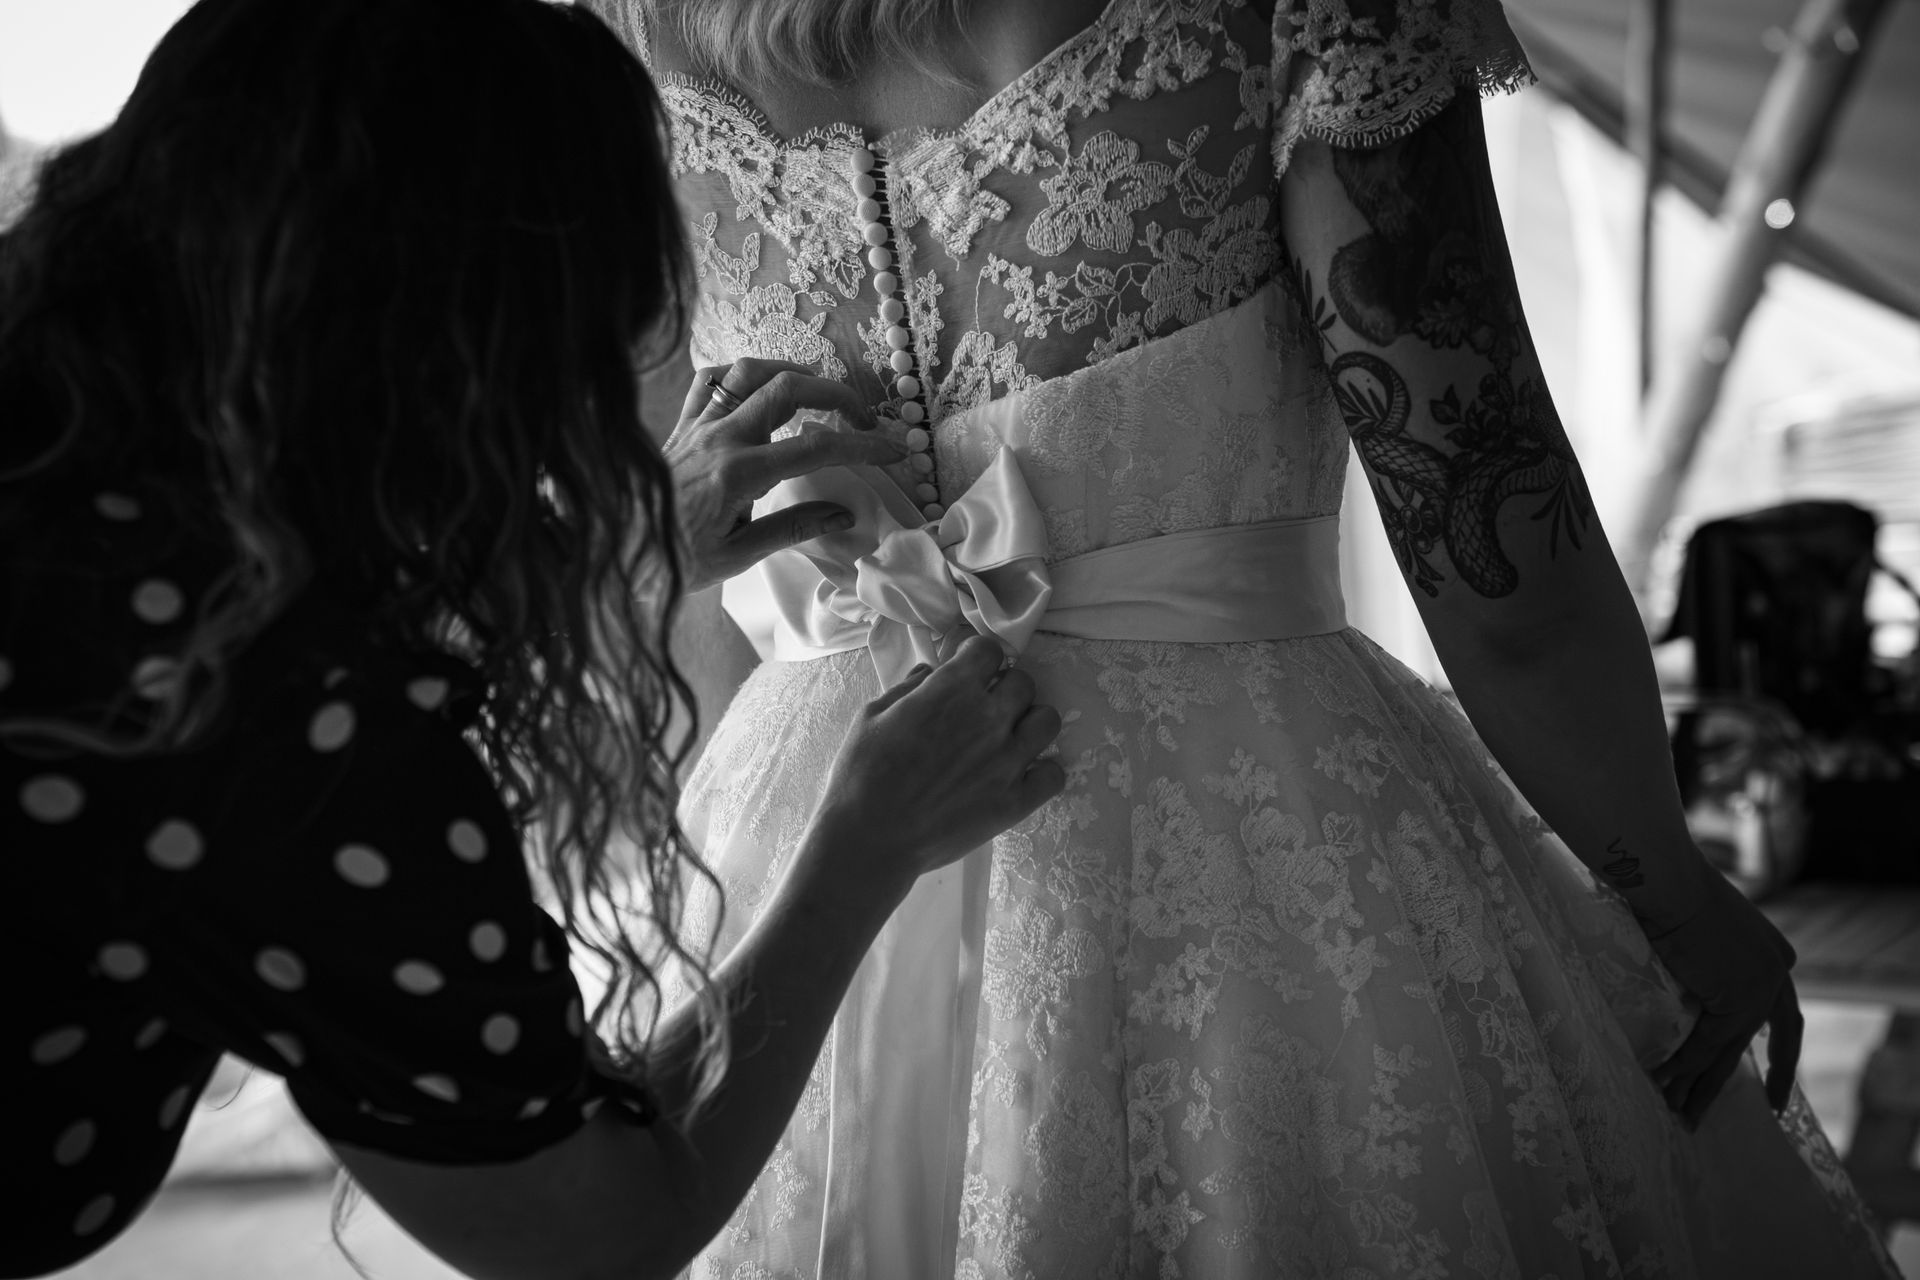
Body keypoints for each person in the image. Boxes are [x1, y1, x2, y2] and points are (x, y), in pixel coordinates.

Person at [585, 0, 1901, 1275]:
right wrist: (1672, 895)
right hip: (1268, 844)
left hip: (791, 845)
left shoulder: (623, 41)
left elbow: (638, 532)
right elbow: (1493, 538)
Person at [0, 2, 1066, 1277]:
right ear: (469, 377)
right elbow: (598, 1226)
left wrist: (576, 571)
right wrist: (862, 845)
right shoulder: (286, 740)